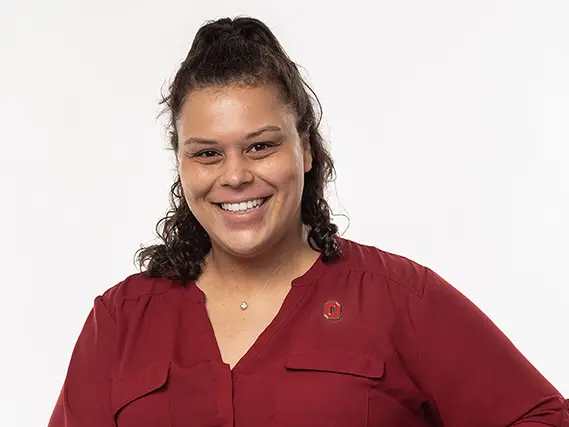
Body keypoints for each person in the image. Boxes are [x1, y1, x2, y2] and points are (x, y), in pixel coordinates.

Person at [48, 16, 568, 427]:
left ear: (307, 150)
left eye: (261, 146)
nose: (235, 176)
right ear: (181, 164)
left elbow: (542, 417)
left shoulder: (398, 300)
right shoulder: (119, 323)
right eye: (207, 154)